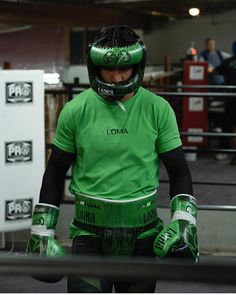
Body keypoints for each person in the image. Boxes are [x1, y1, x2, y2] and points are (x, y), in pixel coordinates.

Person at [27, 25, 199, 293]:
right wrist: (42, 231)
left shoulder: (158, 109)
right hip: (89, 236)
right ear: (95, 67)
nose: (117, 78)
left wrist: (184, 221)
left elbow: (179, 170)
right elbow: (55, 171)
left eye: (124, 69)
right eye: (109, 69)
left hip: (142, 234)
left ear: (136, 67)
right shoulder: (75, 110)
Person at [209, 41, 236, 164]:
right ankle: (226, 150)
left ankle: (225, 151)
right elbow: (215, 70)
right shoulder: (229, 62)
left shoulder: (229, 62)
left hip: (230, 99)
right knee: (227, 124)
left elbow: (214, 70)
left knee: (227, 124)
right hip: (230, 99)